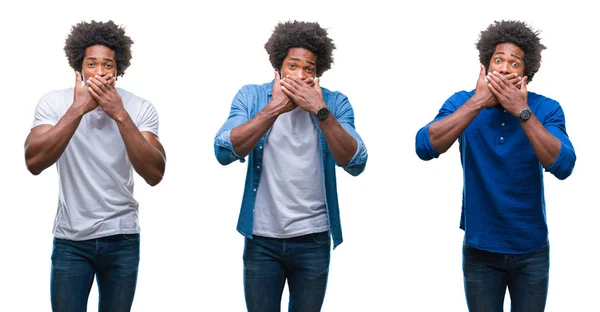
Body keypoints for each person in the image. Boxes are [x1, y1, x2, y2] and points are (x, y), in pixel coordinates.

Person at [415, 20, 576, 311]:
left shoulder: (546, 108)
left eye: (513, 63)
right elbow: (424, 147)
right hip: (480, 250)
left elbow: (564, 165)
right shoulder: (462, 103)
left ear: (526, 73)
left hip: (531, 250)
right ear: (485, 66)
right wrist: (476, 103)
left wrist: (521, 111)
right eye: (498, 60)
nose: (503, 68)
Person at [214, 20, 368, 311]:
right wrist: (274, 108)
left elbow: (356, 161)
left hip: (313, 240)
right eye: (292, 66)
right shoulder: (251, 97)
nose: (299, 75)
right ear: (278, 67)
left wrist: (319, 110)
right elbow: (223, 151)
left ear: (317, 73)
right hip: (262, 240)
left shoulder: (334, 103)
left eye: (308, 69)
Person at [24, 20, 166, 312]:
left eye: (108, 65)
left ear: (118, 69)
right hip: (71, 240)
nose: (100, 72)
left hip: (122, 238)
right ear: (79, 67)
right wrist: (78, 110)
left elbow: (155, 173)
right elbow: (34, 162)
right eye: (92, 64)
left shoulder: (139, 108)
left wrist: (120, 115)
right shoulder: (54, 103)